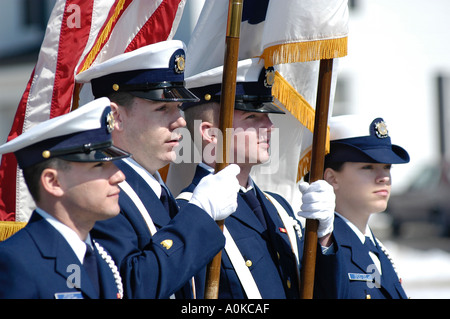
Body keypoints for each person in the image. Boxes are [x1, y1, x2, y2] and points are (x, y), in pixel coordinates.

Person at [75, 40, 240, 299]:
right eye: (162, 108)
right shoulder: (99, 193)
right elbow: (133, 285)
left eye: (178, 108)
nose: (180, 121)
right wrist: (199, 215)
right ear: (115, 117)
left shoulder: (156, 191)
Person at [176, 58, 336, 299]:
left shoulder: (279, 207)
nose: (270, 126)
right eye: (252, 118)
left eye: (267, 116)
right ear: (210, 133)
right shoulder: (188, 211)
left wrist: (324, 239)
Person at [0, 98, 131, 299]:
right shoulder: (16, 262)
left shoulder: (99, 257)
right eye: (99, 165)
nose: (119, 176)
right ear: (53, 182)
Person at [313, 114, 409, 299]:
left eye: (387, 167)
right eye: (368, 167)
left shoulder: (374, 246)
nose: (384, 177)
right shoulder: (323, 246)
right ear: (332, 178)